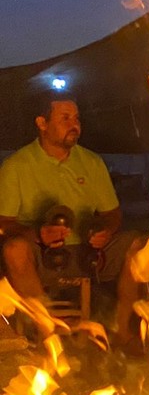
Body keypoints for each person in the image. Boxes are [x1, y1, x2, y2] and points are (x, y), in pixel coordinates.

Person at [0, 94, 135, 315]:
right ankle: (47, 329)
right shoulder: (16, 165)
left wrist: (105, 232)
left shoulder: (92, 162)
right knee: (14, 249)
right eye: (65, 118)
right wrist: (38, 235)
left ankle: (124, 330)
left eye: (77, 118)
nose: (74, 125)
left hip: (87, 251)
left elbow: (112, 213)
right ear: (42, 123)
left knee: (139, 246)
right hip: (41, 255)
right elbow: (4, 223)